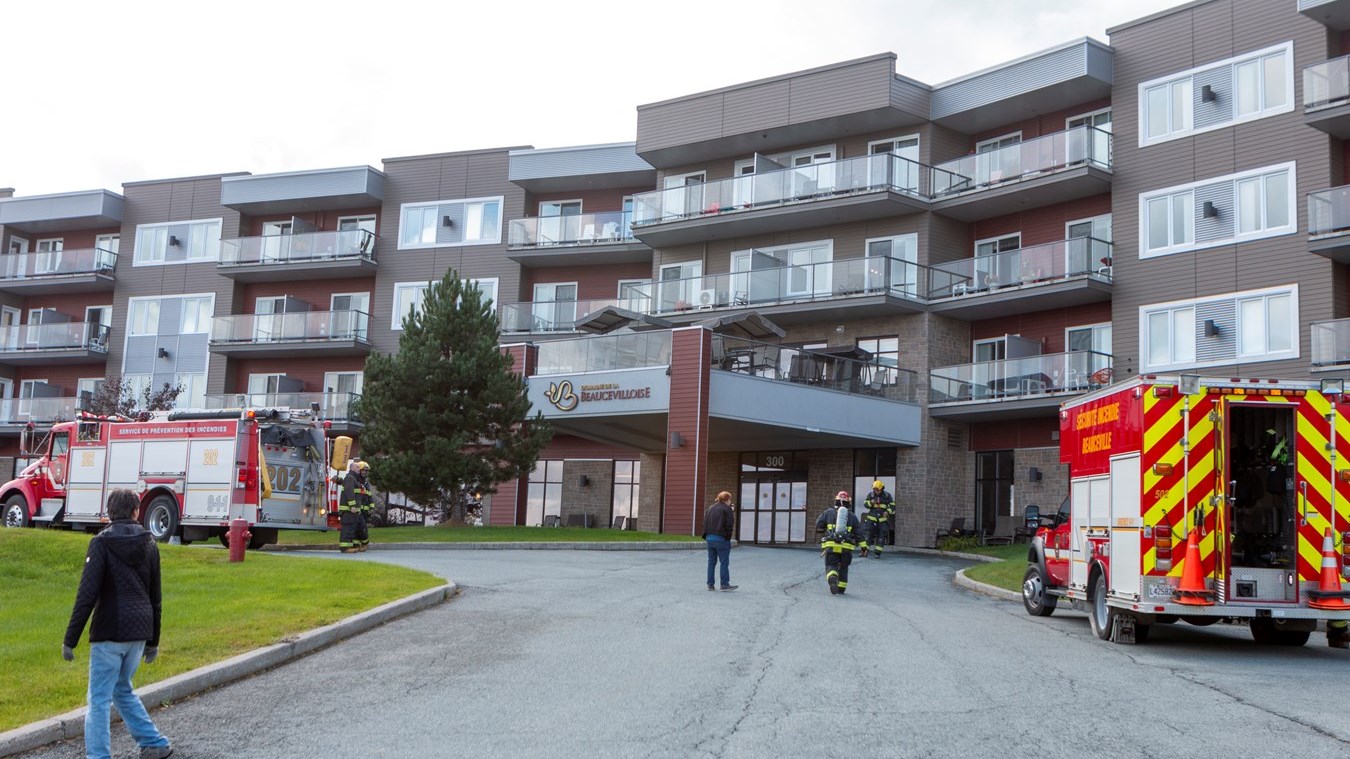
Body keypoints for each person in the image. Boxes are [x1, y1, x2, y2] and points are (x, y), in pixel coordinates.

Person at [62, 488, 174, 759]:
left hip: (109, 631)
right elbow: (155, 597)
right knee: (121, 688)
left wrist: (70, 638)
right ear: (136, 511)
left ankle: (98, 756)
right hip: (139, 631)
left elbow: (87, 594)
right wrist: (153, 640)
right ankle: (154, 742)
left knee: (99, 699)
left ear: (109, 512)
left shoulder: (101, 543)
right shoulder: (150, 543)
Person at [816, 491, 868, 595]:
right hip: (846, 547)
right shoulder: (852, 517)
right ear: (848, 503)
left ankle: (832, 577)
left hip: (831, 545)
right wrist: (864, 548)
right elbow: (859, 534)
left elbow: (818, 525)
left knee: (831, 564)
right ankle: (841, 588)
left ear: (836, 501)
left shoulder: (828, 512)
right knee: (844, 567)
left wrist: (823, 530)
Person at [702, 491, 737, 591]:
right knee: (724, 562)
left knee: (711, 562)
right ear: (727, 499)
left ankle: (710, 585)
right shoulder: (727, 509)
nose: (731, 501)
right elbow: (729, 525)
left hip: (709, 538)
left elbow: (705, 523)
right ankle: (724, 584)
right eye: (730, 499)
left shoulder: (710, 508)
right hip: (721, 539)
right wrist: (727, 538)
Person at [339, 460, 372, 553]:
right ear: (353, 468)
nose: (360, 469)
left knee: (357, 528)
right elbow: (350, 493)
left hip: (355, 511)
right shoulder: (350, 478)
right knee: (348, 529)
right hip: (349, 510)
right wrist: (352, 505)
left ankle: (354, 545)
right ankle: (345, 548)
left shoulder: (354, 478)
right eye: (358, 467)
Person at [861, 479, 895, 559]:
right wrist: (871, 503)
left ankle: (877, 553)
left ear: (882, 488)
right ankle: (865, 551)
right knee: (868, 535)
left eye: (878, 490)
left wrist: (887, 512)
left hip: (882, 520)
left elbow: (892, 505)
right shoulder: (871, 495)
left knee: (881, 536)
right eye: (875, 489)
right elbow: (865, 504)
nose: (876, 491)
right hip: (871, 519)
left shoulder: (887, 496)